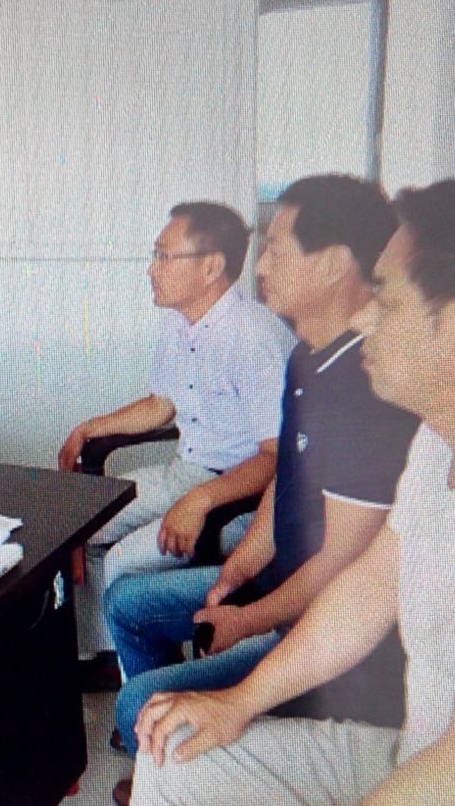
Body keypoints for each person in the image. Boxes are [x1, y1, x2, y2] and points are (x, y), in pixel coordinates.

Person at [131, 178, 455, 806]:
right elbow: (369, 588)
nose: (365, 318)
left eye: (386, 300)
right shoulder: (443, 440)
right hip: (413, 751)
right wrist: (238, 702)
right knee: (174, 749)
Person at [105, 175, 420, 801]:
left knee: (138, 703)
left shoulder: (368, 384)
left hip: (318, 626)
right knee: (127, 604)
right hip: (278, 588)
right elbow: (286, 481)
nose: (261, 265)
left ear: (332, 264)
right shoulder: (308, 356)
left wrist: (248, 618)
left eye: (276, 248)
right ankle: (167, 758)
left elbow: (342, 566)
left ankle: (169, 752)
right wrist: (235, 575)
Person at [60, 202, 295, 658]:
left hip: (238, 497)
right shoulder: (176, 321)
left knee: (121, 563)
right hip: (185, 474)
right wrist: (88, 428)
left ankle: (149, 682)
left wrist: (201, 499)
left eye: (165, 257)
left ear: (211, 267)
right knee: (80, 525)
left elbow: (276, 458)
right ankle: (108, 657)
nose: (152, 269)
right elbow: (161, 404)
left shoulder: (253, 336)